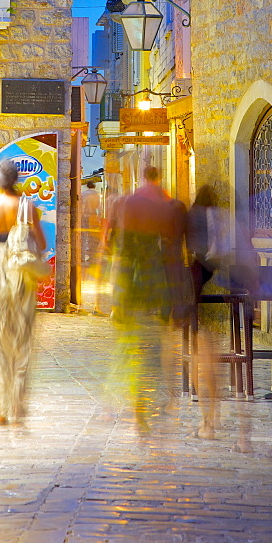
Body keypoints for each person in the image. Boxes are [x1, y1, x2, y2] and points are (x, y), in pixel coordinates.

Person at [0, 160, 46, 426]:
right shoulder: (28, 207)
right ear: (17, 180)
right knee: (22, 339)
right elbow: (41, 242)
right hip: (21, 274)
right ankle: (17, 404)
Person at [109, 165, 177, 431]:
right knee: (152, 349)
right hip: (154, 293)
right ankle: (145, 405)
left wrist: (118, 301)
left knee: (133, 351)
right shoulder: (165, 208)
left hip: (135, 294)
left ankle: (139, 406)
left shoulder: (132, 214)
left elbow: (124, 262)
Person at [80, 180, 101, 263]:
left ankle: (82, 256)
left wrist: (81, 215)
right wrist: (99, 216)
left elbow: (81, 205)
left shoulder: (83, 194)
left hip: (84, 215)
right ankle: (92, 257)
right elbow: (99, 207)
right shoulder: (96, 194)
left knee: (83, 236)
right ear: (94, 186)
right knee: (92, 237)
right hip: (93, 216)